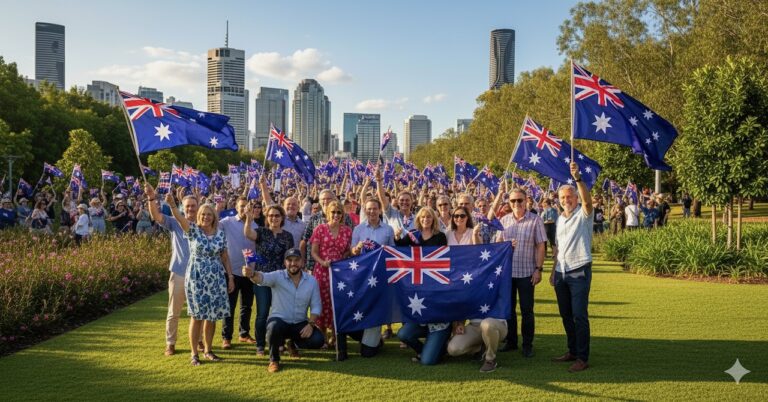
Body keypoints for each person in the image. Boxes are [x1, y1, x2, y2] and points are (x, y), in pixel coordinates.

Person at [166, 194, 235, 366]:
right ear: (199, 216)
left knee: (211, 317)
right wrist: (173, 206)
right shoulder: (192, 230)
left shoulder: (220, 234)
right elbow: (179, 218)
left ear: (214, 217)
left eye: (208, 214)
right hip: (197, 278)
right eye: (202, 214)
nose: (205, 217)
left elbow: (225, 257)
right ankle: (194, 353)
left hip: (216, 278)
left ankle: (208, 350)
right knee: (197, 316)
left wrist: (231, 277)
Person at [242, 248, 325, 373]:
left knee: (318, 339)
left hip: (299, 323)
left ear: (302, 262)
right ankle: (274, 360)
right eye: (289, 260)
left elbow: (316, 306)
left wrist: (311, 324)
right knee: (273, 326)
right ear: (285, 263)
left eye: (296, 260)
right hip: (280, 321)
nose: (293, 263)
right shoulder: (278, 276)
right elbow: (262, 278)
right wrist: (252, 274)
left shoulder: (312, 281)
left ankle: (292, 344)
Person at [338, 198, 395, 361]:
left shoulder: (388, 230)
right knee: (360, 307)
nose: (371, 212)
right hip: (362, 278)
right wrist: (356, 249)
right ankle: (367, 336)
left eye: (374, 209)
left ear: (379, 210)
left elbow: (393, 254)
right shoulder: (358, 229)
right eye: (368, 209)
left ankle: (374, 339)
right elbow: (352, 253)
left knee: (375, 307)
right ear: (365, 210)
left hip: (380, 277)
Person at [145, 183, 198, 356]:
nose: (190, 209)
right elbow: (156, 216)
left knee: (197, 312)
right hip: (179, 272)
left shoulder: (204, 224)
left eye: (193, 206)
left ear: (198, 208)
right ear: (183, 207)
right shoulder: (175, 222)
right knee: (174, 311)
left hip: (198, 275)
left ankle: (199, 342)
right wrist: (152, 198)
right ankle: (170, 343)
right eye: (187, 206)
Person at [550, 162, 594, 373]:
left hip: (579, 271)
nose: (566, 200)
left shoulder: (584, 215)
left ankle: (583, 358)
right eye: (562, 198)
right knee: (566, 315)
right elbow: (558, 248)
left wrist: (577, 179)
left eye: (570, 197)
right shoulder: (559, 219)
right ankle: (572, 350)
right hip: (561, 272)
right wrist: (552, 272)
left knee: (579, 315)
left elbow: (588, 202)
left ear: (575, 199)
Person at [396, 208, 451, 365]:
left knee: (428, 361)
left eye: (429, 217)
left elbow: (443, 259)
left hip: (435, 288)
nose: (426, 219)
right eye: (423, 217)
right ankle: (425, 349)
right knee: (403, 334)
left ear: (433, 219)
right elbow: (399, 248)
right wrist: (396, 236)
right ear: (418, 219)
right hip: (419, 289)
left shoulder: (440, 237)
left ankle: (439, 344)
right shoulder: (413, 235)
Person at [497, 188, 546, 359]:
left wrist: (538, 269)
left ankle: (527, 344)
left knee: (527, 310)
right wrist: (506, 245)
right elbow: (497, 245)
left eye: (519, 200)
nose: (516, 204)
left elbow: (541, 245)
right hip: (508, 274)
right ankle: (511, 342)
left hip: (527, 272)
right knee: (509, 310)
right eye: (513, 201)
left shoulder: (535, 220)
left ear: (526, 201)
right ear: (509, 203)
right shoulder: (504, 220)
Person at [243, 204, 295, 355]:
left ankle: (279, 343)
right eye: (271, 216)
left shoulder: (287, 236)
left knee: (280, 314)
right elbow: (248, 233)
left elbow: (290, 259)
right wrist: (248, 219)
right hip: (262, 278)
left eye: (277, 215)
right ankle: (260, 345)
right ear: (267, 218)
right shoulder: (261, 232)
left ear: (282, 218)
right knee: (262, 313)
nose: (274, 218)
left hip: (280, 279)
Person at [218, 196, 259, 350]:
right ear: (236, 207)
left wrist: (253, 264)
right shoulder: (227, 222)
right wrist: (217, 209)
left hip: (249, 272)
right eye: (241, 206)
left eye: (247, 206)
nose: (244, 209)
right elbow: (212, 225)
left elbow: (255, 248)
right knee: (230, 306)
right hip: (231, 272)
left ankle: (244, 334)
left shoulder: (255, 225)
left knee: (247, 306)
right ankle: (226, 337)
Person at [309, 200, 352, 347]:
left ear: (342, 214)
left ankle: (335, 336)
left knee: (337, 303)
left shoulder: (347, 231)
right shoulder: (320, 229)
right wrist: (322, 262)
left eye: (339, 212)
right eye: (333, 212)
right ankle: (322, 337)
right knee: (321, 302)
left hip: (339, 273)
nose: (336, 215)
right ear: (328, 213)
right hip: (322, 272)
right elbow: (313, 252)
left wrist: (344, 257)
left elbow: (348, 251)